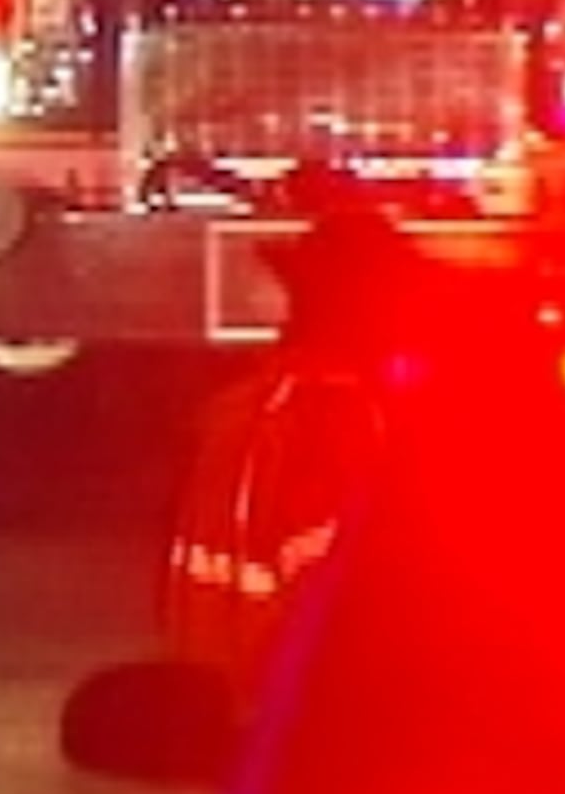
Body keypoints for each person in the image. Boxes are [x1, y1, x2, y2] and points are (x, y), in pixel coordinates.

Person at [157, 201, 439, 702]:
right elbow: (342, 602)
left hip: (211, 698)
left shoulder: (237, 408)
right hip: (291, 713)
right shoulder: (333, 423)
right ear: (371, 316)